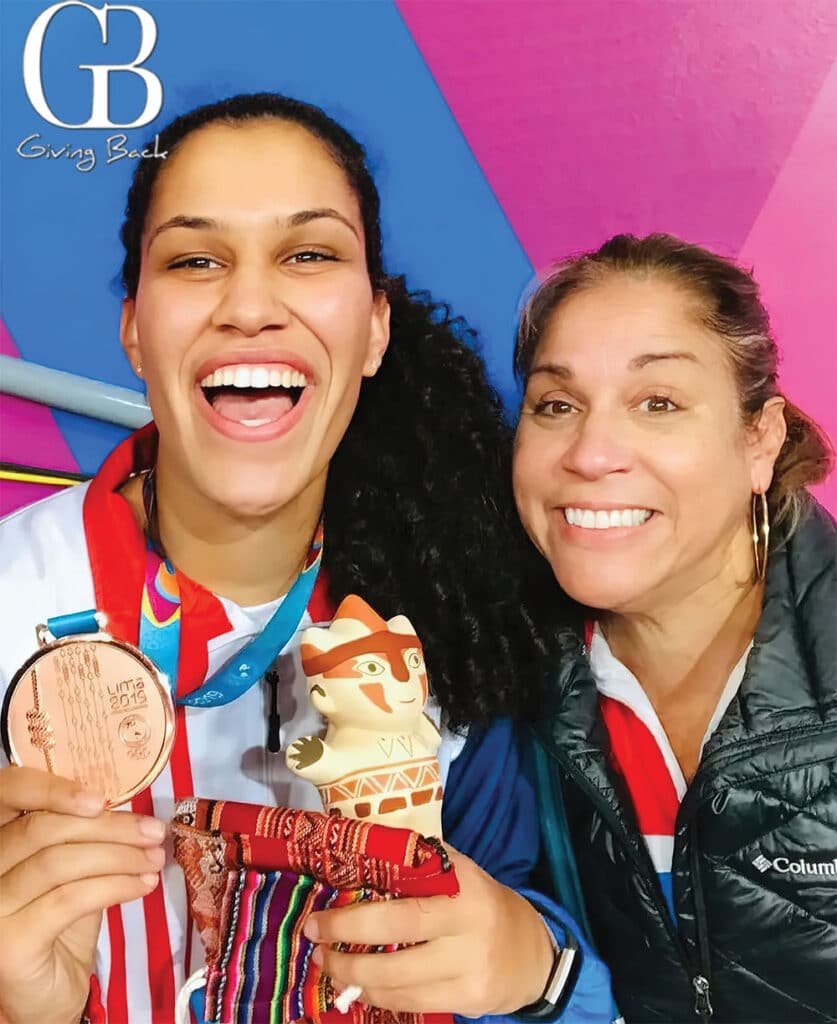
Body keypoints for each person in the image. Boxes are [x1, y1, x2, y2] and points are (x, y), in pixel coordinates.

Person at [0, 95, 612, 1024]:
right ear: (133, 329)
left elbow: (526, 932)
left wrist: (542, 972)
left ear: (372, 329)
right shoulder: (13, 595)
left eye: (309, 254)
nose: (249, 306)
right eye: (195, 260)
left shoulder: (449, 620)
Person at [512, 232, 836, 1023]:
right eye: (556, 404)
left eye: (657, 403)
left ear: (758, 438)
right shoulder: (492, 691)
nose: (590, 453)